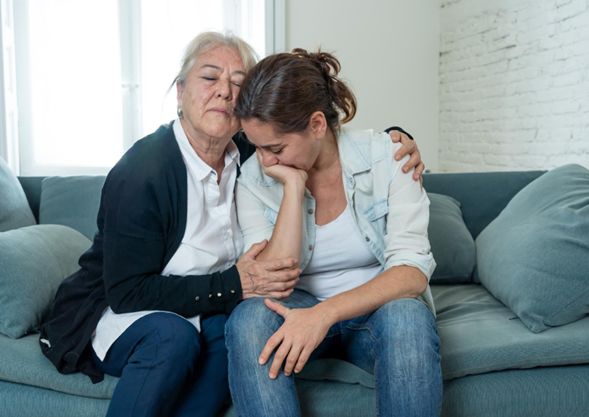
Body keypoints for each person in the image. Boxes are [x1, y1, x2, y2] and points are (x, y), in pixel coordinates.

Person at [39, 33, 425, 417]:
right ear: (179, 91)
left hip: (210, 308)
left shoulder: (247, 153)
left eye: (238, 82)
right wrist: (236, 283)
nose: (225, 91)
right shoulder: (148, 170)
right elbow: (127, 291)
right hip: (136, 307)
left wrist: (398, 140)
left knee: (226, 331)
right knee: (194, 334)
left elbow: (306, 134)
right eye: (209, 77)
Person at [226, 49, 442, 416]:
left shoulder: (388, 158)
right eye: (256, 146)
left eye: (275, 148)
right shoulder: (254, 179)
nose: (264, 161)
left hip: (376, 310)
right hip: (296, 306)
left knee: (409, 318)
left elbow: (411, 273)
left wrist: (324, 314)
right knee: (247, 322)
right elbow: (271, 280)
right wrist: (293, 188)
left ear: (317, 125)